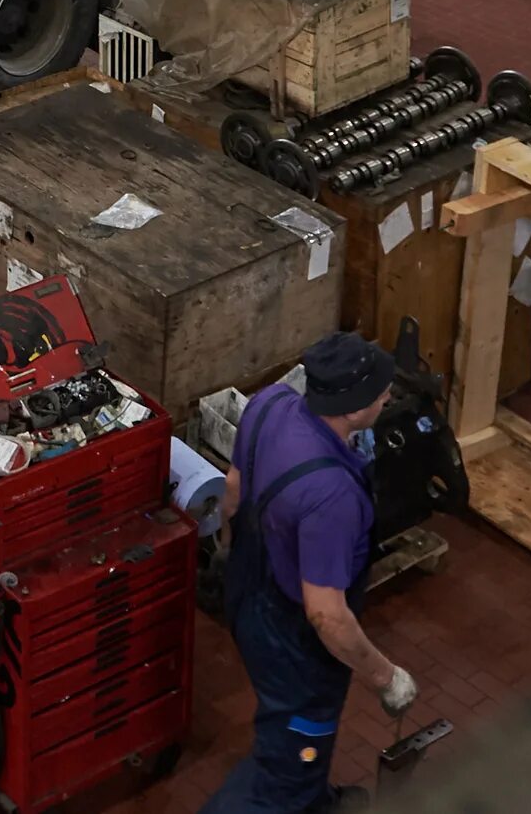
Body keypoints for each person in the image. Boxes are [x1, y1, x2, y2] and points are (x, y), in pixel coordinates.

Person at [202, 334, 417, 814]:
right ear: (352, 407)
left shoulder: (271, 402)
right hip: (292, 638)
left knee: (295, 740)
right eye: (382, 392)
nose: (388, 398)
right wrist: (386, 678)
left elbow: (233, 493)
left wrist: (227, 556)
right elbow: (326, 615)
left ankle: (311, 798)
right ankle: (295, 793)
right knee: (286, 764)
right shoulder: (331, 494)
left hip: (247, 588)